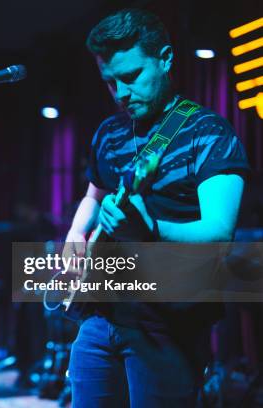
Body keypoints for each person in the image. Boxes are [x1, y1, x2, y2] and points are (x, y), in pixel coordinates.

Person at [62, 9, 250, 407]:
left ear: (165, 59)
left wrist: (152, 229)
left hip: (167, 324)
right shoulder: (110, 133)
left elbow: (220, 233)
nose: (122, 93)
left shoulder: (209, 132)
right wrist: (76, 234)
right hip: (101, 314)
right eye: (110, 82)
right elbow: (94, 195)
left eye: (131, 77)